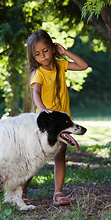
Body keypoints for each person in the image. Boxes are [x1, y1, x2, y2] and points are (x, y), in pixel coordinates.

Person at [23, 29, 88, 206]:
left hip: (62, 123)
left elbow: (83, 65)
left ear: (52, 48)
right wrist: (43, 109)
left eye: (45, 50)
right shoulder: (38, 73)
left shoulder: (60, 64)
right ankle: (21, 193)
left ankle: (58, 193)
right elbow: (36, 93)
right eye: (37, 54)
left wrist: (65, 52)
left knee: (60, 156)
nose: (43, 56)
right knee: (35, 159)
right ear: (33, 57)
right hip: (46, 123)